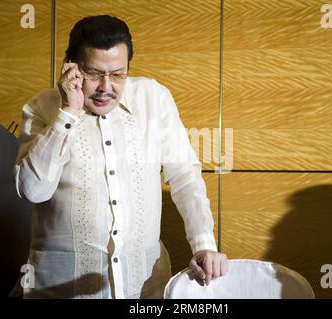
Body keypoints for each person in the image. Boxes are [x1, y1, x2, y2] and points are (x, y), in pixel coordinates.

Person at [13, 14, 227, 299]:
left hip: (143, 286)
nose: (106, 87)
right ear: (71, 66)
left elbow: (184, 175)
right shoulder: (40, 109)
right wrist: (68, 113)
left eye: (117, 74)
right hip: (61, 288)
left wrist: (204, 244)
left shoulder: (154, 97)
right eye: (93, 73)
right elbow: (32, 191)